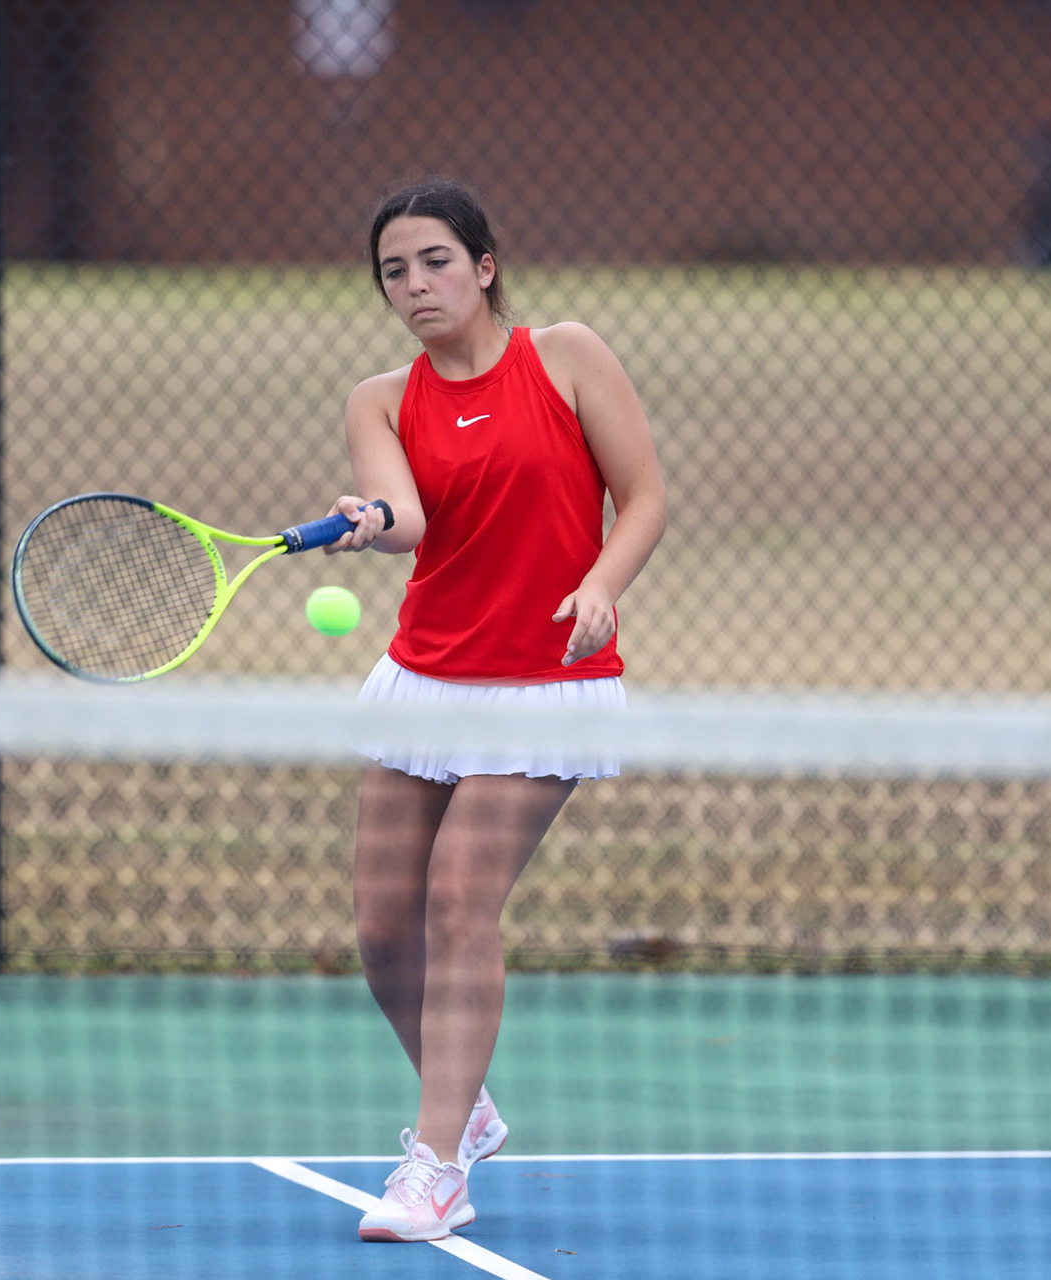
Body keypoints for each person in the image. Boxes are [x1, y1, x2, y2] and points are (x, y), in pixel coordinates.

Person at [322, 176, 667, 1242]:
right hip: (425, 678)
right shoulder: (380, 400)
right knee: (384, 928)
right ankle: (463, 1103)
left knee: (460, 901)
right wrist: (370, 517)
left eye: (435, 261)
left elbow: (645, 497)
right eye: (394, 271)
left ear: (484, 266)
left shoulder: (568, 357)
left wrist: (601, 585)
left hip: (546, 684)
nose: (415, 285)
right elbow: (409, 517)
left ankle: (437, 1169)